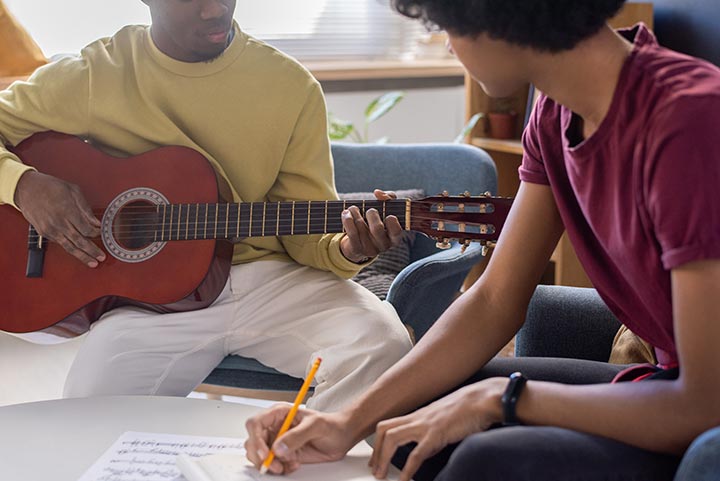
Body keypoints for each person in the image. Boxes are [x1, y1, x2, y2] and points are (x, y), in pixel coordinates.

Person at [244, 0, 720, 479]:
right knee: (417, 425)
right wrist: (345, 421)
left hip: (700, 411)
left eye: (449, 25)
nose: (450, 45)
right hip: (665, 385)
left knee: (480, 456)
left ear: (494, 18)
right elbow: (494, 299)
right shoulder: (555, 116)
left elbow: (704, 403)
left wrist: (499, 398)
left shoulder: (689, 120)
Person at [0, 0, 413, 412]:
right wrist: (24, 186)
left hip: (272, 282)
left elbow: (305, 231)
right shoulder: (97, 73)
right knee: (84, 418)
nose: (215, 9)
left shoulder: (289, 86)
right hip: (150, 303)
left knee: (381, 343)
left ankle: (297, 457)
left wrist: (348, 249)